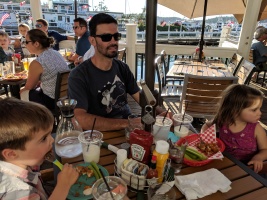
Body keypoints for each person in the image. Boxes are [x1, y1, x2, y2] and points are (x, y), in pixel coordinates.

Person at [68, 13, 140, 131]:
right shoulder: (79, 75)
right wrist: (128, 123)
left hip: (128, 129)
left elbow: (139, 96)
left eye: (116, 36)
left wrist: (159, 111)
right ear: (92, 41)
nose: (113, 42)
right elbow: (80, 119)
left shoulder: (122, 68)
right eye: (106, 37)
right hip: (99, 136)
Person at [0, 97, 79, 199]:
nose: (52, 140)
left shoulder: (23, 161)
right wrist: (63, 185)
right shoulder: (19, 192)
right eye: (43, 138)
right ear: (12, 154)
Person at [201, 84, 267, 173]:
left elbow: (265, 149)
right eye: (254, 110)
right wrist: (207, 140)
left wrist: (258, 158)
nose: (260, 113)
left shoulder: (256, 128)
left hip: (247, 169)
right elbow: (207, 125)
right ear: (235, 110)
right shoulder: (222, 122)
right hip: (224, 165)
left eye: (259, 109)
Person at [20, 29, 69, 111]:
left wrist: (22, 90)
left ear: (36, 44)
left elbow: (29, 87)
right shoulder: (56, 53)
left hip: (51, 101)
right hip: (65, 96)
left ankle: (32, 120)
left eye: (26, 42)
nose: (25, 45)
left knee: (24, 92)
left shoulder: (37, 63)